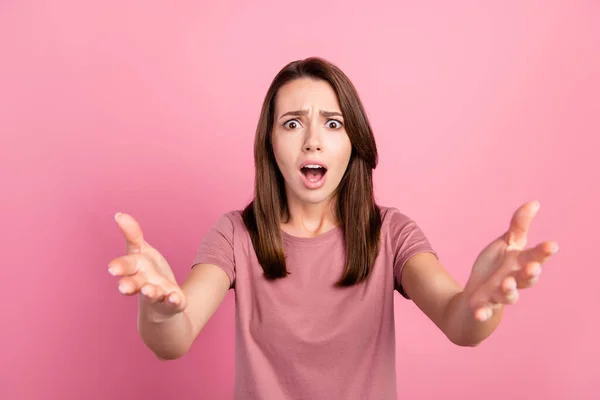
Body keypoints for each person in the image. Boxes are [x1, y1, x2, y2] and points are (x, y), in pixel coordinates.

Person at [107, 57, 559, 400]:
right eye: (292, 123)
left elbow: (460, 323)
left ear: (353, 141)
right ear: (271, 144)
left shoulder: (391, 233)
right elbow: (174, 338)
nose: (313, 139)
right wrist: (161, 311)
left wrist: (484, 301)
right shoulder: (235, 235)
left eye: (333, 122)